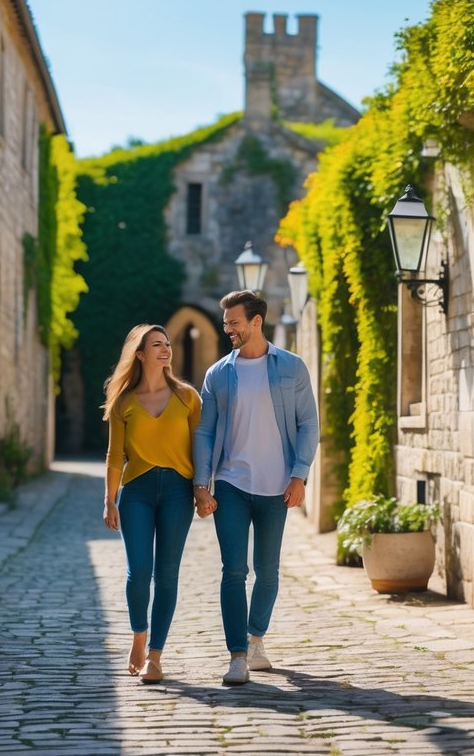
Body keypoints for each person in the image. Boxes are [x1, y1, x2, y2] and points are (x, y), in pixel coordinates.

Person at [192, 290, 319, 685]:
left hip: (277, 486)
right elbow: (206, 431)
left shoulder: (292, 368)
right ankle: (237, 655)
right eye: (226, 321)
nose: (227, 328)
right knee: (233, 570)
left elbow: (308, 425)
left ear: (256, 322)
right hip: (230, 483)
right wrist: (201, 484)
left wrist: (299, 475)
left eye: (234, 322)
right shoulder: (217, 375)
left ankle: (256, 638)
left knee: (267, 571)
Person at [102, 324, 202, 684]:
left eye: (167, 344)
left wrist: (203, 488)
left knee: (167, 573)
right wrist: (109, 500)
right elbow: (115, 456)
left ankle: (156, 657)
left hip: (178, 492)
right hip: (137, 494)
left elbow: (201, 449)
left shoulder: (188, 398)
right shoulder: (123, 403)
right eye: (156, 345)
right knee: (139, 570)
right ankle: (138, 637)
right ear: (140, 355)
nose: (165, 350)